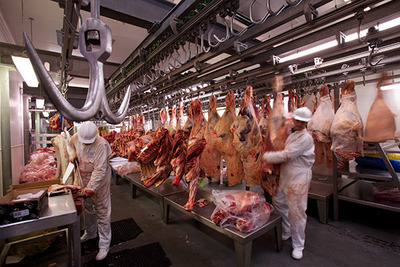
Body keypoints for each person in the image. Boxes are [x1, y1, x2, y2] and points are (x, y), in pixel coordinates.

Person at [262, 107, 315, 260]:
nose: (298, 123)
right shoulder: (292, 132)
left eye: (302, 122)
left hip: (299, 176)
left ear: (306, 123)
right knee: (278, 201)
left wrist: (266, 157)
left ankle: (299, 245)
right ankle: (287, 230)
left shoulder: (305, 138)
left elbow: (288, 154)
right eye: (297, 120)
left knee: (297, 211)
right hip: (285, 174)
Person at [70, 121, 112, 261]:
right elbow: (71, 146)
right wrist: (73, 154)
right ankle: (90, 232)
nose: (86, 144)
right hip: (82, 179)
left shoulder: (102, 145)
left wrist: (91, 187)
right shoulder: (76, 137)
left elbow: (100, 170)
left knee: (102, 211)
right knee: (87, 208)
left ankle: (104, 244)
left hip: (99, 183)